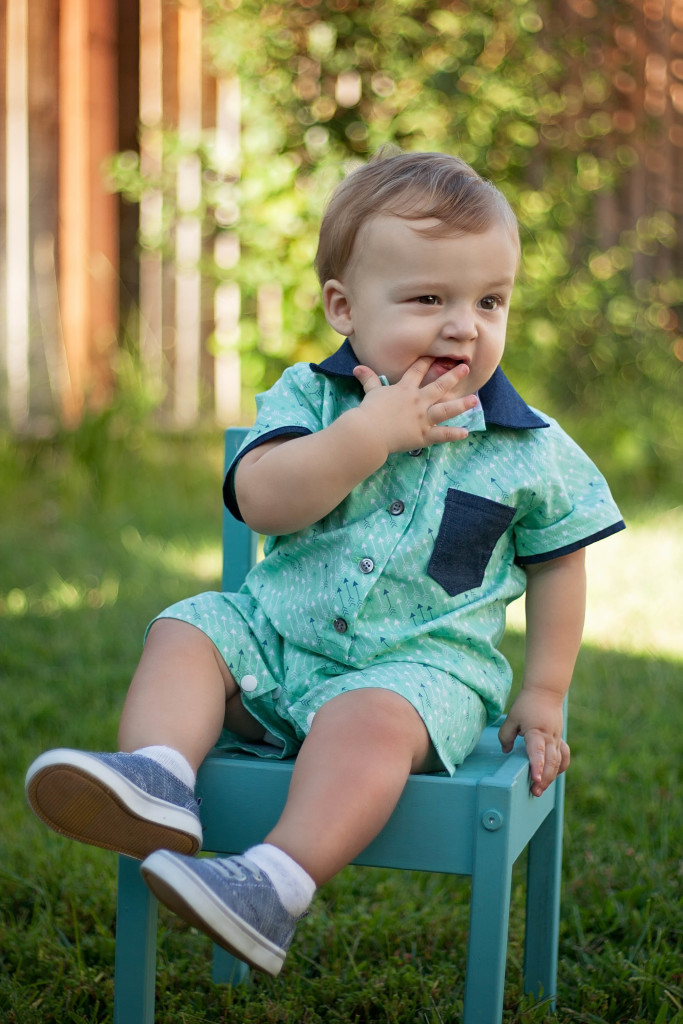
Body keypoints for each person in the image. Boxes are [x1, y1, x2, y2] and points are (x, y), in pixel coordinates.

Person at [26, 151, 624, 978]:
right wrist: (365, 436)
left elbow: (560, 566)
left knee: (368, 717)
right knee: (190, 626)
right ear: (344, 307)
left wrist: (543, 691)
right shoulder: (309, 400)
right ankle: (157, 779)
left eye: (490, 301)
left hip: (415, 677)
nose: (464, 326)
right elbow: (261, 500)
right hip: (276, 648)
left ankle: (271, 883)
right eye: (428, 299)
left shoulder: (529, 447)